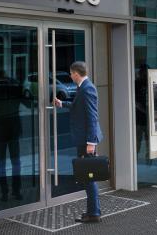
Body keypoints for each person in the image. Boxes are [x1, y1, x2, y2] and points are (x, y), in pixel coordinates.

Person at [54, 61, 103, 223]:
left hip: (86, 141)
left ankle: (94, 213)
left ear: (75, 73)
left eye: (70, 73)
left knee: (88, 176)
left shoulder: (87, 88)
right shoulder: (83, 87)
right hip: (84, 139)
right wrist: (62, 104)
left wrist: (91, 142)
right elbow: (78, 106)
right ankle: (93, 211)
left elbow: (92, 116)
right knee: (87, 176)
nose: (70, 76)